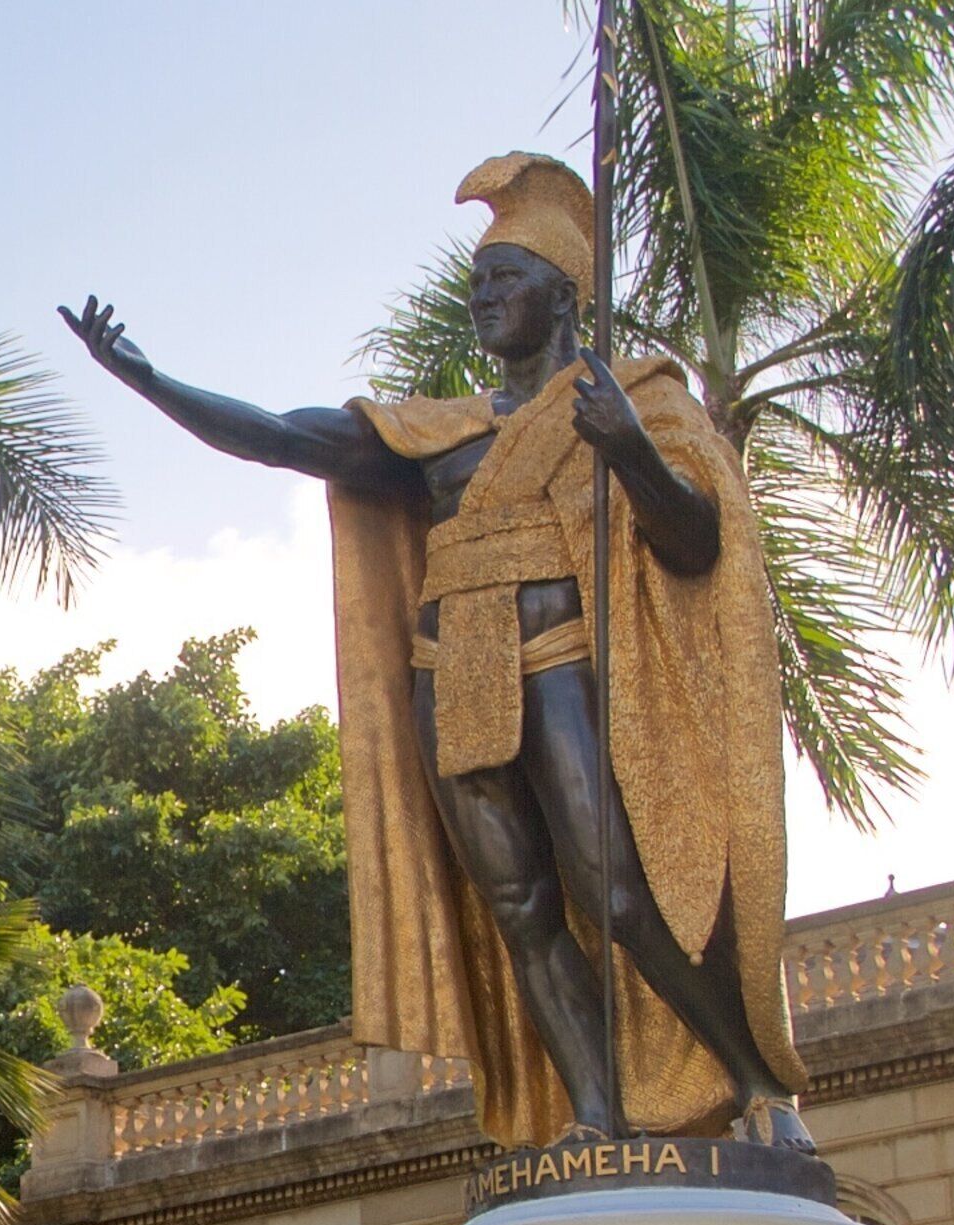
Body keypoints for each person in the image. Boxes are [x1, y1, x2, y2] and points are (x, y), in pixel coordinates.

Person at [65, 154, 809, 1148]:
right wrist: (150, 380)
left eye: (505, 280)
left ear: (561, 293)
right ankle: (593, 1114)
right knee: (522, 909)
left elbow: (696, 545)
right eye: (477, 284)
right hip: (447, 677)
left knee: (617, 891)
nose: (484, 298)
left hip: (557, 660)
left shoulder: (631, 400)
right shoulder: (435, 433)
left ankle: (757, 1084)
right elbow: (285, 437)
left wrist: (627, 446)